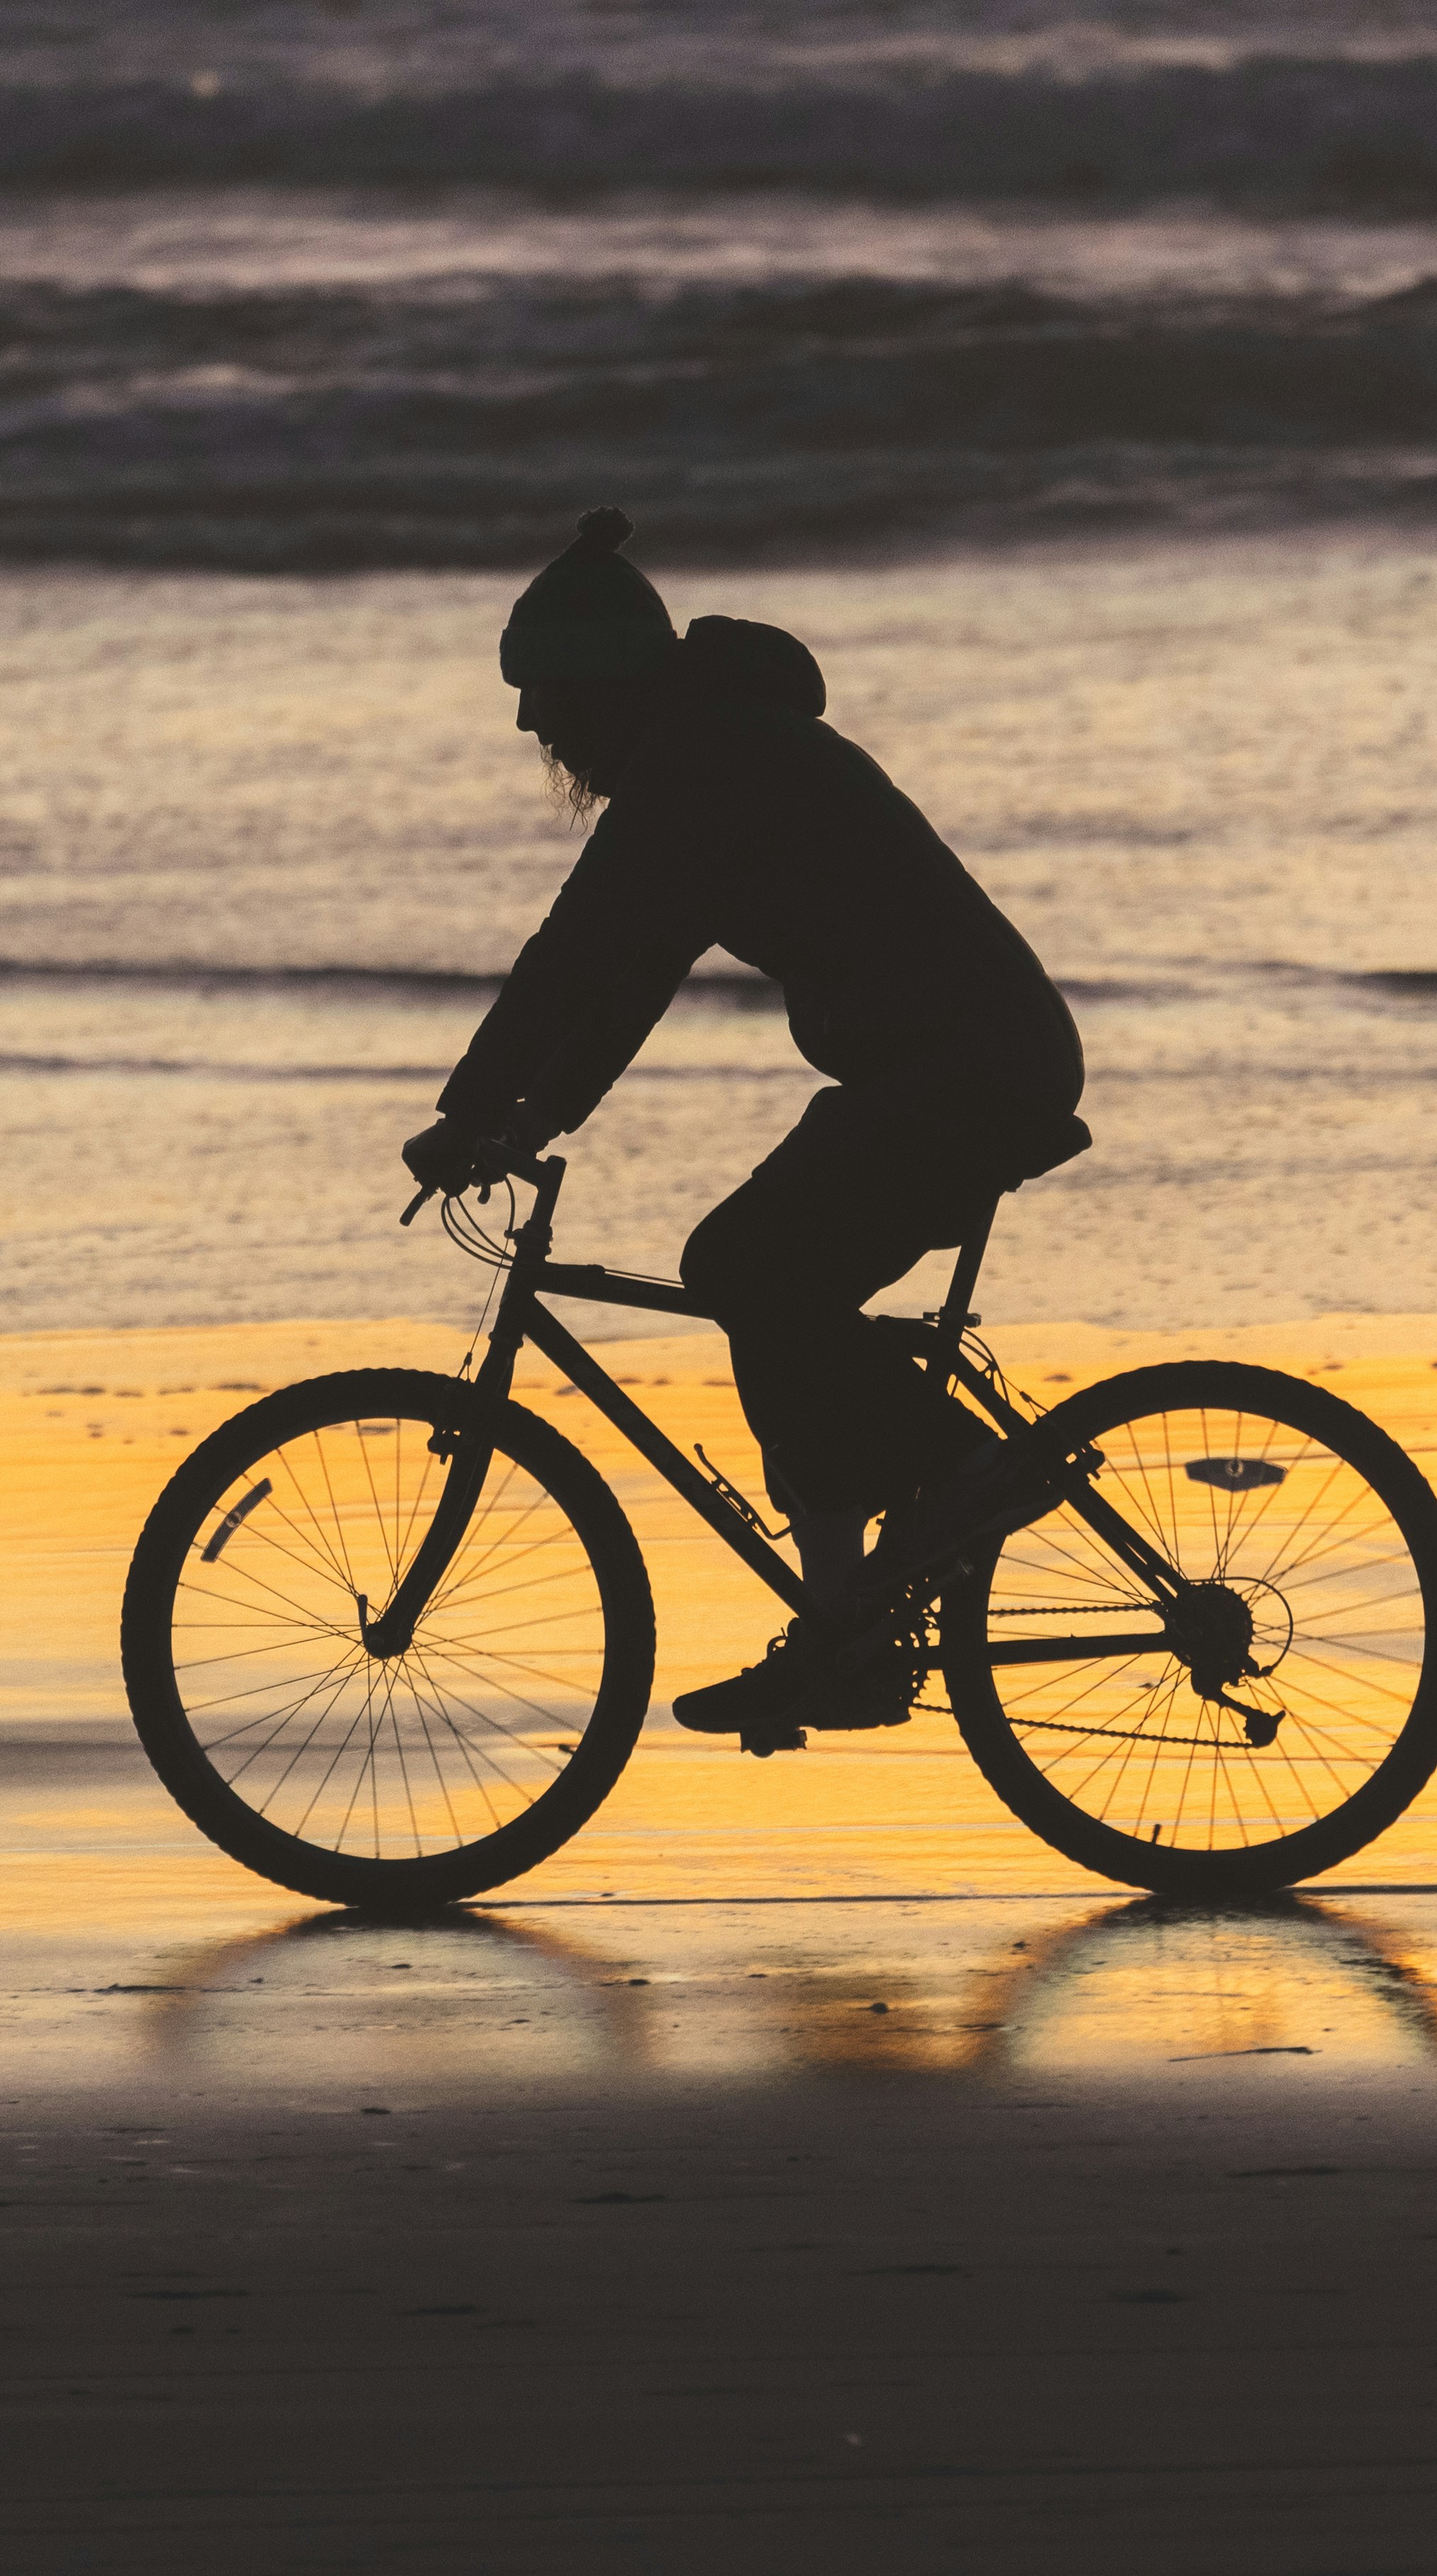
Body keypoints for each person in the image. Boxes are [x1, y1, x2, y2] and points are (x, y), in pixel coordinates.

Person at [402, 507, 1089, 1736]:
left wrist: (476, 1112)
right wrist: (530, 1114)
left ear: (608, 688)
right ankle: (847, 1635)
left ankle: (979, 1476)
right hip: (944, 1070)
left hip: (968, 1074)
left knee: (747, 1269)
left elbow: (583, 952)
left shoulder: (707, 762)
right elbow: (629, 966)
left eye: (547, 698)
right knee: (778, 1295)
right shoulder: (712, 753)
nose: (533, 728)